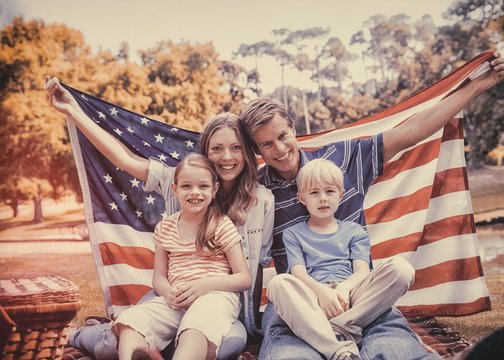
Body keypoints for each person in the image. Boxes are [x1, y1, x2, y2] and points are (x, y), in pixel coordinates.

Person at [238, 52, 504, 360]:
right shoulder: (256, 192)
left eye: (282, 136)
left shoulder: (344, 158)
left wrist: (473, 88)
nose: (279, 149)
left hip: (360, 292)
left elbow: (412, 131)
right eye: (266, 144)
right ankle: (333, 344)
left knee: (393, 353)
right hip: (298, 301)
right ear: (256, 149)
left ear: (292, 128)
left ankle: (350, 329)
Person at [44, 77, 275, 359]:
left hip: (220, 303)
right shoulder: (176, 180)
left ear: (248, 153)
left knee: (226, 346)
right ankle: (91, 334)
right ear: (204, 153)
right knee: (110, 346)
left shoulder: (261, 200)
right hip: (172, 298)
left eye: (236, 147)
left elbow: (250, 273)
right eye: (217, 148)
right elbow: (124, 159)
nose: (226, 157)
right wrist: (74, 111)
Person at [266, 159, 415, 360]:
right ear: (301, 198)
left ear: (341, 194)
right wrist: (323, 293)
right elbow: (298, 272)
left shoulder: (354, 231)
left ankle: (342, 325)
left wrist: (343, 290)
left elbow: (362, 272)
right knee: (278, 284)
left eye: (329, 191)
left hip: (352, 294)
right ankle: (338, 351)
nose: (323, 199)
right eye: (314, 193)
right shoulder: (293, 234)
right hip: (314, 296)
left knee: (401, 269)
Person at [112, 152, 251, 360]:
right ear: (175, 189)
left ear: (214, 190)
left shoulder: (221, 225)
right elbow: (159, 276)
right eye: (186, 186)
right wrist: (169, 293)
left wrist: (205, 285)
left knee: (196, 326)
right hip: (175, 300)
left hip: (214, 297)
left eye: (203, 186)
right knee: (130, 321)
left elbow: (244, 278)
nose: (194, 192)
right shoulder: (165, 227)